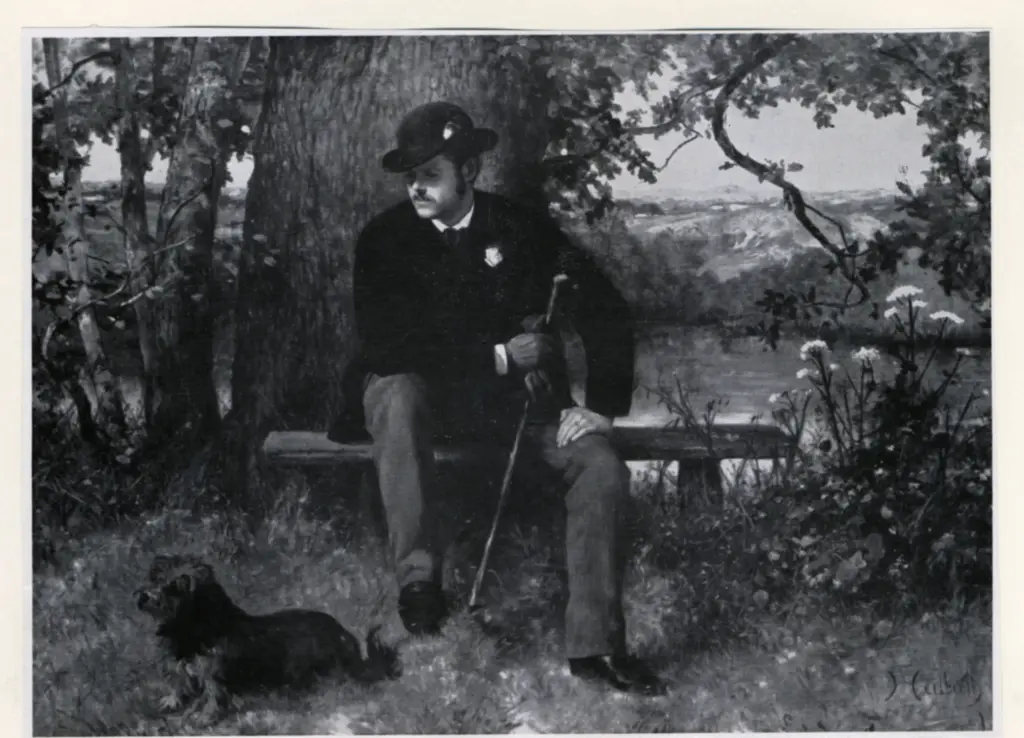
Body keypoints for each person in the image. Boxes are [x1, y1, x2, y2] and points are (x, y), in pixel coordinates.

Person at [331, 101, 666, 696]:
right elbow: (392, 343)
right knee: (395, 391)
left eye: (430, 173)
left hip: (519, 412)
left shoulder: (521, 228)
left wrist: (602, 407)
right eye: (410, 176)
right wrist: (501, 355)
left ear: (471, 171)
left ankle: (595, 648)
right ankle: (419, 585)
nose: (416, 187)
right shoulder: (384, 241)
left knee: (600, 468)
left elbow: (604, 308)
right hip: (422, 413)